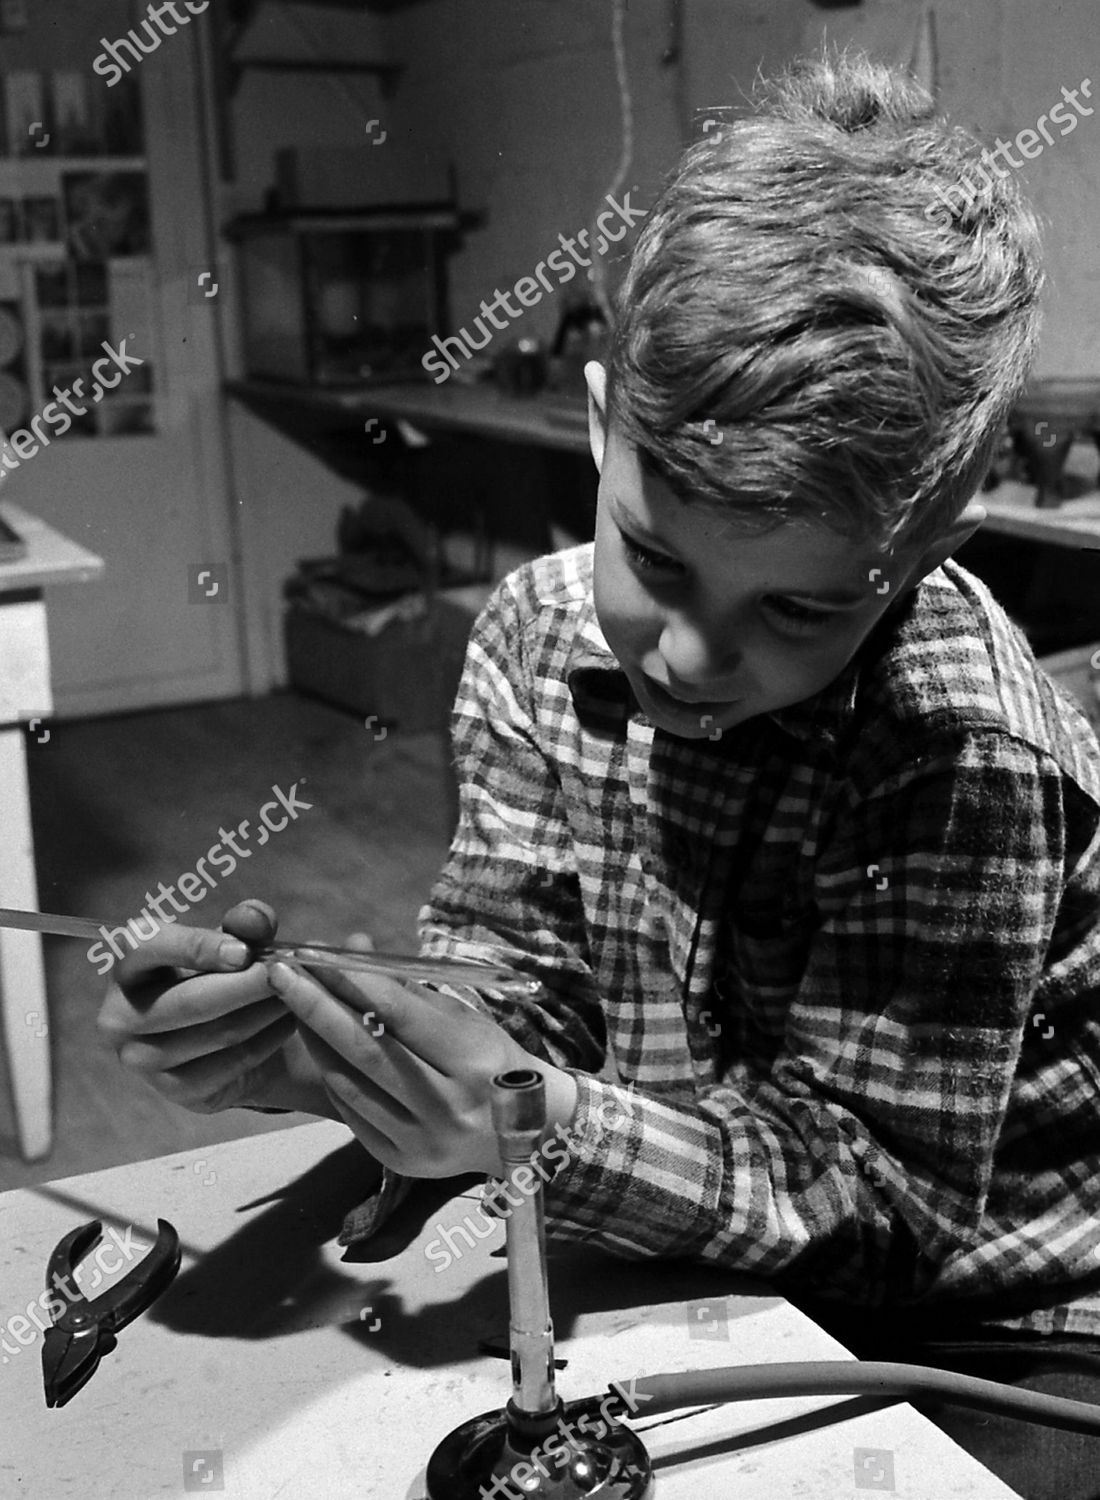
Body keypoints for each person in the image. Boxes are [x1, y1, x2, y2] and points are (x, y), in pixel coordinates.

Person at [99, 49, 1100, 1498]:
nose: (691, 655)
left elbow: (883, 1209)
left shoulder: (963, 750)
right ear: (597, 424)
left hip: (992, 1323)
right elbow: (523, 986)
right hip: (692, 1225)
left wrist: (540, 1123)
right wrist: (324, 1048)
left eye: (800, 610)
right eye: (657, 556)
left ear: (926, 557)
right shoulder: (530, 630)